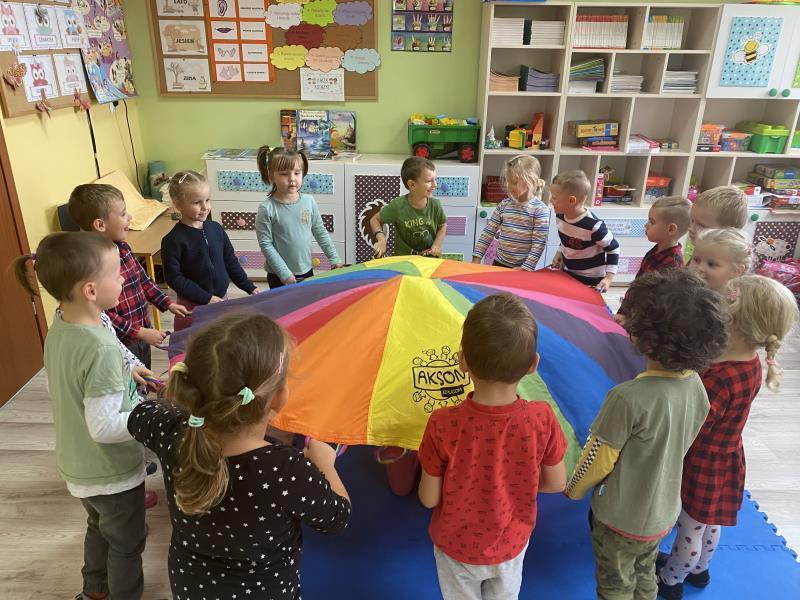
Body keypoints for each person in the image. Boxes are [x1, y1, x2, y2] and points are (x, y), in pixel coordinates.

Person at [128, 313, 351, 599]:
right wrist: (325, 464)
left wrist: (176, 399)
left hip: (191, 587)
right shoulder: (285, 468)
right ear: (280, 398)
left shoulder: (172, 431)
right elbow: (338, 517)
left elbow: (139, 415)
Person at [564, 269, 729, 600]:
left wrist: (574, 489)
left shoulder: (627, 398)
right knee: (644, 572)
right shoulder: (696, 385)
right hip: (663, 511)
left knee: (615, 583)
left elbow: (598, 459)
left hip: (620, 517)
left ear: (644, 337)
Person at [14, 232, 147, 600]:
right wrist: (149, 417)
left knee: (98, 527)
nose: (123, 277)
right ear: (90, 290)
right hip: (110, 470)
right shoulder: (100, 348)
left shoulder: (62, 325)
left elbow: (80, 378)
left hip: (79, 466)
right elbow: (104, 427)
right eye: (117, 273)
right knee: (126, 544)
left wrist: (129, 368)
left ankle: (95, 591)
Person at [657, 275, 799, 600]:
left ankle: (671, 580)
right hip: (726, 455)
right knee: (708, 523)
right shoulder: (748, 363)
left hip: (701, 461)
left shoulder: (721, 377)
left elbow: (695, 425)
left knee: (689, 527)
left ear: (731, 319)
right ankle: (699, 570)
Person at [418, 294, 567, 599]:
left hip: (456, 547)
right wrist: (514, 484)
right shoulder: (541, 418)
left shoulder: (442, 423)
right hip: (511, 545)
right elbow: (556, 482)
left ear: (462, 361)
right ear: (533, 365)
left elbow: (429, 499)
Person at [68, 183, 189, 368]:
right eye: (123, 214)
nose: (130, 217)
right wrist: (139, 332)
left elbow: (143, 280)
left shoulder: (123, 247)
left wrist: (167, 303)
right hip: (118, 342)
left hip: (140, 333)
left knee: (144, 375)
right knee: (130, 381)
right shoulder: (90, 266)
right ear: (100, 225)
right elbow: (101, 314)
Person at [161, 170, 258, 330]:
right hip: (191, 306)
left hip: (220, 300)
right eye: (196, 202)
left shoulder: (216, 229)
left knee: (220, 338)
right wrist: (206, 298)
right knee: (193, 342)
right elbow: (174, 278)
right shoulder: (172, 240)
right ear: (178, 204)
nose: (205, 207)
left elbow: (230, 261)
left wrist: (249, 287)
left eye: (207, 200)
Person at [254, 146, 343, 289]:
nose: (292, 179)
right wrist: (284, 274)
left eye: (297, 173)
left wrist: (334, 258)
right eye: (284, 174)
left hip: (306, 270)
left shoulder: (309, 201)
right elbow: (266, 244)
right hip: (278, 275)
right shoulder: (266, 208)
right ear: (271, 177)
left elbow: (320, 232)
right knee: (284, 304)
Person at [472, 154, 549, 271]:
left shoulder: (540, 210)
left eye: (514, 182)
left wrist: (526, 268)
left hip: (523, 268)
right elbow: (488, 232)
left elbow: (539, 244)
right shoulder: (504, 205)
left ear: (531, 181)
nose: (507, 185)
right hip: (498, 263)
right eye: (507, 181)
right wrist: (476, 257)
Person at [549, 170, 619, 292]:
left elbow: (614, 248)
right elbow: (567, 238)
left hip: (591, 279)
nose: (550, 200)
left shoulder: (594, 226)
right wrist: (559, 253)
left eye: (554, 198)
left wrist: (608, 278)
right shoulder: (560, 216)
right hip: (568, 273)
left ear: (571, 201)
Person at [371, 156, 448, 258]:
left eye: (435, 179)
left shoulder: (436, 205)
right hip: (404, 260)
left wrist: (437, 244)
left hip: (430, 260)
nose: (435, 185)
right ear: (412, 185)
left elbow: (442, 225)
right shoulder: (398, 206)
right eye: (429, 181)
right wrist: (381, 239)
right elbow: (375, 219)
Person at [685, 185, 748, 262]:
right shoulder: (702, 251)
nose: (691, 229)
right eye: (692, 220)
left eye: (701, 226)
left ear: (728, 233)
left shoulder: (726, 265)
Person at [635, 195, 691, 278]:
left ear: (671, 229)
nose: (646, 226)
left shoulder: (673, 265)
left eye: (652, 222)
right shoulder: (657, 249)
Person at [688, 227, 752, 293]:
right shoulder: (685, 290)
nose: (700, 268)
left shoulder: (740, 298)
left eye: (711, 264)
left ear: (736, 271)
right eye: (696, 260)